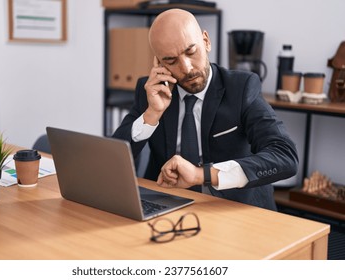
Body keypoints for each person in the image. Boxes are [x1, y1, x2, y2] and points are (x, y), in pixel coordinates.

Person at [112, 8, 298, 211]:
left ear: (206, 41)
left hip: (234, 209)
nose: (187, 67)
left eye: (191, 51)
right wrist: (151, 115)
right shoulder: (150, 91)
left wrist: (202, 175)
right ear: (158, 63)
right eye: (171, 60)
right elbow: (113, 161)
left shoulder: (241, 87)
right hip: (168, 206)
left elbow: (285, 156)